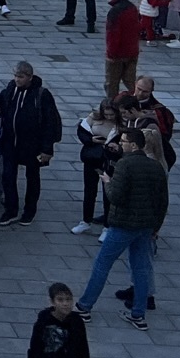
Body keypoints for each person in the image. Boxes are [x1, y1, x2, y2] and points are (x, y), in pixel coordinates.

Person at [73, 126, 167, 330]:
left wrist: (107, 182)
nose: (121, 144)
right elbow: (163, 201)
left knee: (102, 264)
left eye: (124, 141)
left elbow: (116, 196)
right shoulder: (156, 166)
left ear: (133, 145)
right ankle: (138, 314)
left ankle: (84, 307)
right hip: (146, 226)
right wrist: (156, 227)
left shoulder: (125, 165)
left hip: (123, 225)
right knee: (141, 269)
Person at [0, 62, 62, 227]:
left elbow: (51, 123)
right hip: (10, 142)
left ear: (30, 77)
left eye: (21, 77)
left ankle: (29, 211)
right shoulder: (9, 91)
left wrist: (47, 148)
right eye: (16, 76)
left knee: (32, 178)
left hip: (32, 145)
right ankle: (10, 210)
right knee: (8, 176)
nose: (17, 79)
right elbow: (1, 112)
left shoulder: (42, 95)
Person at [101, 0, 139, 101]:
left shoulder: (115, 12)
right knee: (131, 83)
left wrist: (111, 54)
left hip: (117, 55)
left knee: (111, 84)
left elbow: (113, 35)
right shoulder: (132, 8)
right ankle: (139, 101)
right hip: (132, 52)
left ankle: (111, 107)